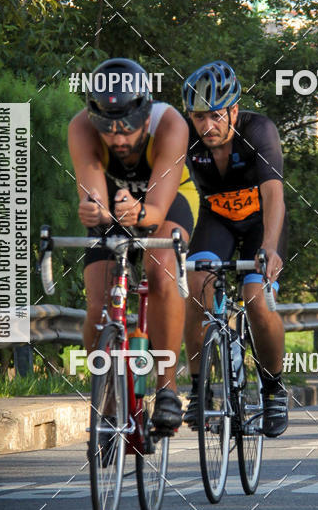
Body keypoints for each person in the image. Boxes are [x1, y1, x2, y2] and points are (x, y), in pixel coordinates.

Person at [68, 58, 199, 431]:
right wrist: (95, 211)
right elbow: (94, 194)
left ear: (145, 114)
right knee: (98, 303)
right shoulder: (81, 126)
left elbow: (156, 210)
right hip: (116, 203)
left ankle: (168, 388)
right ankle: (107, 401)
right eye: (108, 131)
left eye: (127, 129)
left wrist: (140, 213)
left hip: (168, 200)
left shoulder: (170, 122)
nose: (119, 140)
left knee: (160, 273)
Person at [182, 60, 289, 437]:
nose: (206, 126)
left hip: (261, 223)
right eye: (198, 117)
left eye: (214, 115)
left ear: (233, 110)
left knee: (257, 298)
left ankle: (274, 390)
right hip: (218, 221)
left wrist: (270, 248)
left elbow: (274, 195)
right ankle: (198, 391)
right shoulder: (185, 136)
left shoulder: (259, 130)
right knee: (196, 287)